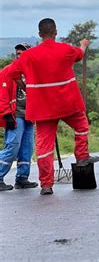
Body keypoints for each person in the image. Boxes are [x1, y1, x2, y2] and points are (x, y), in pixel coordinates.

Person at [7, 18, 99, 195]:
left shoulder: (28, 55)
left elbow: (12, 73)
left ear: (40, 34)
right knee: (81, 126)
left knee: (44, 145)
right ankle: (82, 157)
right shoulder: (65, 49)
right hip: (67, 103)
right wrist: (83, 44)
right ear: (55, 32)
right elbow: (79, 55)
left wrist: (24, 86)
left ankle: (47, 184)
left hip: (42, 108)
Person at [0, 43, 38, 191]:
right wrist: (6, 114)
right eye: (18, 53)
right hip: (15, 115)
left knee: (27, 148)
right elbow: (2, 95)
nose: (19, 55)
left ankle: (22, 178)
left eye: (22, 53)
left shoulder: (33, 72)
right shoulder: (7, 71)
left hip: (30, 115)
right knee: (12, 146)